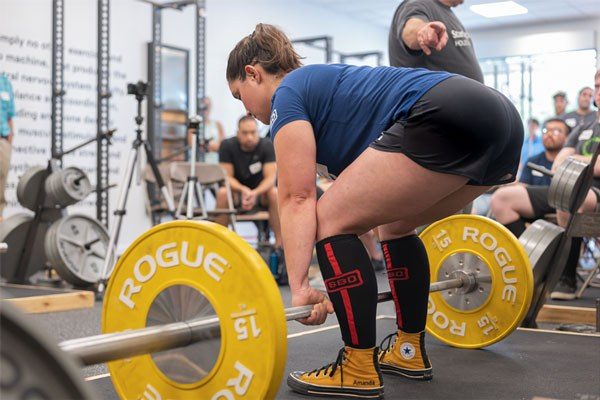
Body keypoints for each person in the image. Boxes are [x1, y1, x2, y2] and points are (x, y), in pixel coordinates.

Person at [226, 24, 523, 398]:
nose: (247, 112)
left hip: (446, 113)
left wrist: (299, 287)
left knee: (330, 220)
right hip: (502, 124)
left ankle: (357, 366)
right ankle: (409, 350)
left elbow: (298, 198)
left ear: (253, 73)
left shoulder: (289, 93)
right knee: (396, 226)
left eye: (240, 96)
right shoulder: (326, 85)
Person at [215, 115, 282, 250]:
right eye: (245, 133)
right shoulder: (227, 146)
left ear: (257, 132)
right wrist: (243, 190)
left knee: (274, 193)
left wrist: (255, 193)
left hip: (261, 194)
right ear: (238, 133)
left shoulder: (267, 145)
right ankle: (219, 246)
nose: (249, 137)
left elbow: (271, 178)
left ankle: (280, 246)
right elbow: (226, 178)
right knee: (222, 193)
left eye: (253, 132)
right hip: (237, 193)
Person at [388, 0, 483, 83]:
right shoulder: (417, 3)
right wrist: (423, 31)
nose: (463, 2)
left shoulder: (448, 12)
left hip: (461, 100)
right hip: (434, 100)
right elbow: (411, 31)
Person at [519, 119, 569, 186]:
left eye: (556, 131)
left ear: (567, 138)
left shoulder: (572, 166)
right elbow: (523, 188)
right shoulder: (532, 162)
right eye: (546, 130)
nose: (549, 134)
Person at [0, 72, 15, 221]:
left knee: (1, 183)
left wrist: (9, 141)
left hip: (2, 140)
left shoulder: (4, 82)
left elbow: (9, 116)